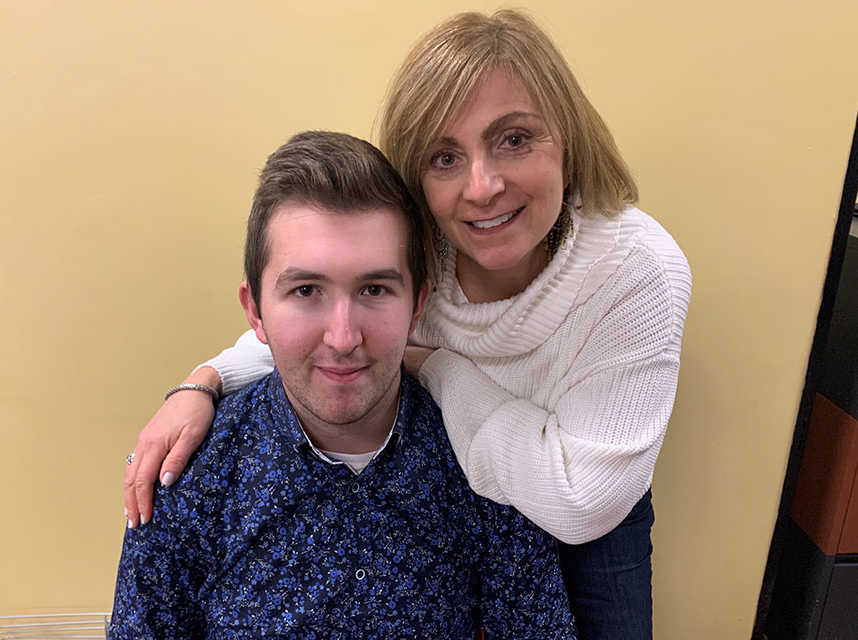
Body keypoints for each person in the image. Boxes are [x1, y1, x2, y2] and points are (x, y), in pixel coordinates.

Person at [123, 10, 691, 639]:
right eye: (445, 156)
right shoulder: (433, 242)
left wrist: (433, 363)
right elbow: (314, 336)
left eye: (515, 138)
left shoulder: (637, 273)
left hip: (585, 479)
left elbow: (579, 502)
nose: (483, 188)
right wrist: (202, 384)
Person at [110, 131, 576, 639]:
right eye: (306, 290)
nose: (343, 337)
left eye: (374, 289)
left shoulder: (483, 464)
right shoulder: (190, 479)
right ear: (255, 312)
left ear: (416, 305)